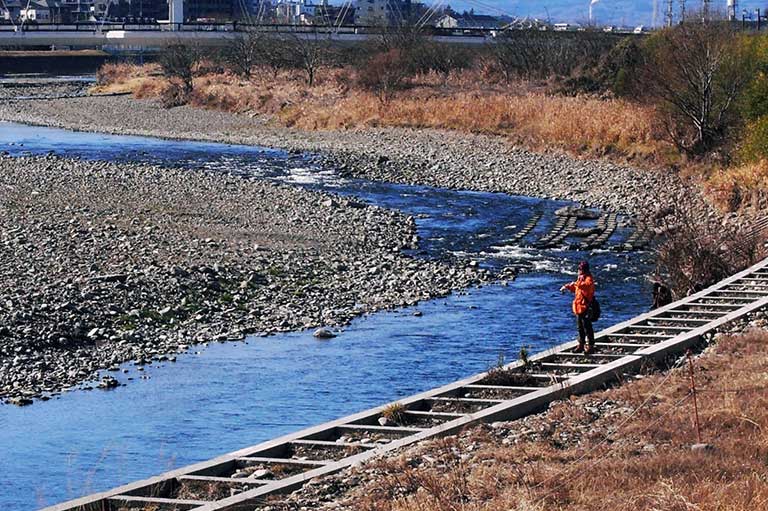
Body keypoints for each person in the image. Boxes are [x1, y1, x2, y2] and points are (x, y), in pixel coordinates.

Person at [560, 261, 597, 354]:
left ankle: (591, 346)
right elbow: (576, 289)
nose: (578, 270)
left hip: (586, 307)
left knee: (587, 327)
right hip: (578, 307)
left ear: (583, 270)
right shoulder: (580, 279)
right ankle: (581, 344)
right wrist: (567, 287)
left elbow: (586, 286)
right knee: (580, 327)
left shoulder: (589, 279)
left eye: (580, 269)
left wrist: (576, 284)